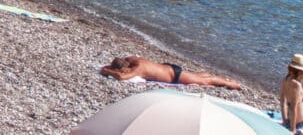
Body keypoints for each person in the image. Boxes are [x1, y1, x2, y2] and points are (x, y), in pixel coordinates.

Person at [98, 57, 243, 91]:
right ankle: (217, 77)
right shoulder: (132, 59)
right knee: (198, 76)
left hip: (174, 76)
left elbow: (122, 77)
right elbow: (116, 65)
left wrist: (107, 71)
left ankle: (230, 83)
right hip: (168, 68)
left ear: (125, 68)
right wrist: (111, 67)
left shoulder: (137, 70)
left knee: (206, 82)